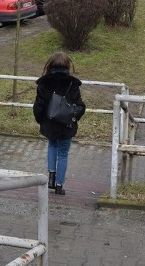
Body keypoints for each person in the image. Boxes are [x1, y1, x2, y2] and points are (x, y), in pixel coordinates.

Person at [32, 52, 86, 196]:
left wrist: (41, 121)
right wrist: (74, 118)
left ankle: (51, 177)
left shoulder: (44, 83)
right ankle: (59, 186)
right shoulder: (72, 83)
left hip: (50, 124)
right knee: (63, 154)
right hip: (66, 126)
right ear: (67, 66)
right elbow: (80, 106)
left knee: (52, 145)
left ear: (49, 65)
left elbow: (38, 106)